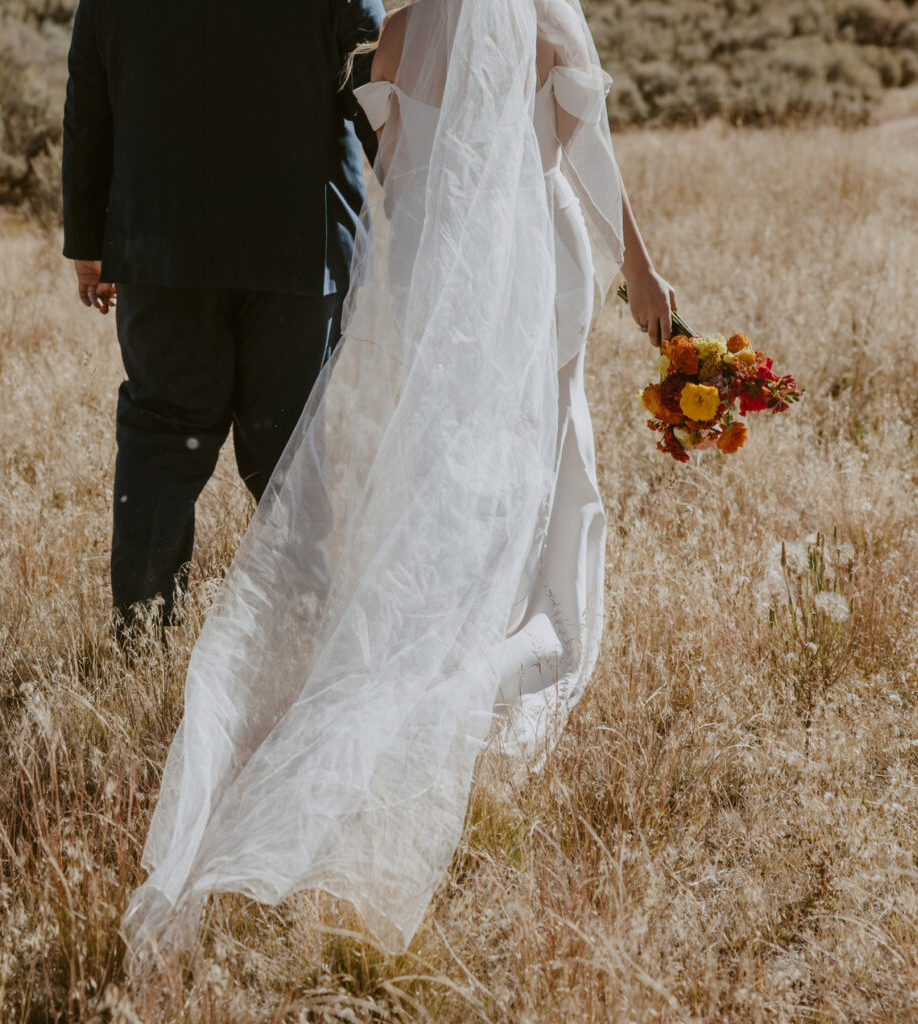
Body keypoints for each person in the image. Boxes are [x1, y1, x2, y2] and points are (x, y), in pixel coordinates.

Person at [120, 0, 675, 975]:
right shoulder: (543, 16)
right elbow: (587, 155)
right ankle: (488, 661)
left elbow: (388, 175)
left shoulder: (400, 30)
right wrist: (644, 272)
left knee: (456, 477)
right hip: (534, 259)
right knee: (544, 470)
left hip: (431, 277)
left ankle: (422, 646)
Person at [61, 0, 384, 644]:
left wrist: (87, 245)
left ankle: (144, 638)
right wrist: (418, 196)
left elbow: (89, 107)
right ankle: (299, 636)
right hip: (298, 245)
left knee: (162, 434)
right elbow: (375, 82)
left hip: (162, 246)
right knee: (290, 447)